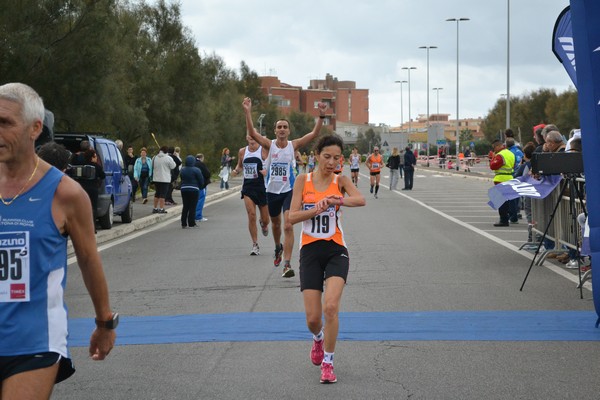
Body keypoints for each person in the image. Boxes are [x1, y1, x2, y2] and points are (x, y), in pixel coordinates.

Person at [0, 82, 116, 397]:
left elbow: (90, 260)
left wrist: (105, 323)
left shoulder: (66, 193)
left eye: (5, 123)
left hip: (34, 342)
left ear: (35, 128)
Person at [288, 134, 366, 384]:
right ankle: (318, 338)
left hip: (335, 250)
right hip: (310, 251)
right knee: (313, 319)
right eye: (326, 156)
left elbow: (360, 199)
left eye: (336, 158)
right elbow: (291, 217)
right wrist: (315, 209)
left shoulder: (340, 180)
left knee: (330, 307)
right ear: (316, 156)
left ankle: (329, 363)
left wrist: (336, 199)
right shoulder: (304, 180)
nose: (331, 162)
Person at [243, 96, 327, 278]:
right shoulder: (269, 144)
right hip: (272, 191)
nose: (282, 129)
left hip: (289, 190)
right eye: (279, 127)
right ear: (275, 130)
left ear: (289, 131)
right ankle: (277, 247)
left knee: (288, 225)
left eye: (285, 127)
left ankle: (287, 264)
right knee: (276, 225)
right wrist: (248, 112)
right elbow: (252, 132)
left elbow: (313, 135)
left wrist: (321, 117)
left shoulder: (293, 145)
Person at [231, 134, 270, 255]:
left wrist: (267, 171)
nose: (252, 138)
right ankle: (255, 244)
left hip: (262, 188)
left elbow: (271, 164)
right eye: (250, 136)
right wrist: (236, 170)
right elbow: (240, 165)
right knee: (251, 214)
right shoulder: (242, 151)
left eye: (254, 136)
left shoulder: (263, 150)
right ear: (247, 138)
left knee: (266, 220)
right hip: (248, 187)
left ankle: (263, 224)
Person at [489, 139, 516, 227]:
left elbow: (493, 166)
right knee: (508, 200)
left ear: (498, 146)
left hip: (501, 178)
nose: (494, 150)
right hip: (510, 177)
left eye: (494, 148)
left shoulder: (500, 155)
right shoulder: (510, 153)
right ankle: (510, 216)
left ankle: (503, 220)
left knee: (501, 201)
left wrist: (493, 158)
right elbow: (513, 165)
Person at [80, 148, 106, 225]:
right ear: (91, 157)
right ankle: (92, 226)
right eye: (95, 156)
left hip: (83, 189)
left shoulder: (82, 166)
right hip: (93, 189)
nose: (96, 158)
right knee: (93, 208)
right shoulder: (97, 167)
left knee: (83, 207)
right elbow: (103, 176)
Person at [179, 155, 204, 228]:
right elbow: (201, 180)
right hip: (194, 189)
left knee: (185, 206)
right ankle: (191, 223)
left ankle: (183, 223)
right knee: (192, 206)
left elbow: (181, 178)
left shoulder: (183, 169)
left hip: (184, 189)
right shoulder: (196, 170)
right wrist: (200, 186)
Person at [151, 145, 176, 214]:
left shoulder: (154, 157)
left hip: (156, 178)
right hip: (165, 179)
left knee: (157, 193)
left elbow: (152, 166)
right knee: (163, 194)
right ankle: (161, 208)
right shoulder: (168, 158)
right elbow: (173, 166)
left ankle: (155, 208)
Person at [195, 153, 211, 222]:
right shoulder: (201, 164)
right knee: (200, 200)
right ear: (201, 158)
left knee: (193, 201)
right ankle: (198, 216)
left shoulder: (192, 163)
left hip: (192, 184)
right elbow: (207, 173)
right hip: (201, 185)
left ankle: (191, 215)